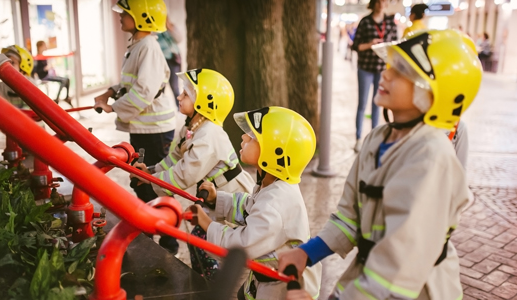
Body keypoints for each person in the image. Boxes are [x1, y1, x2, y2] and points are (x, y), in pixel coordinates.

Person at [279, 29, 482, 300]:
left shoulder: (433, 158)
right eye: (389, 66)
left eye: (400, 71)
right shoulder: (376, 139)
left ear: (432, 94)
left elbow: (399, 266)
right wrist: (307, 252)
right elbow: (349, 217)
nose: (385, 74)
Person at [188, 106, 322, 300]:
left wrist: (207, 224)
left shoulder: (276, 204)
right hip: (267, 278)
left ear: (274, 152)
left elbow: (242, 246)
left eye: (252, 137)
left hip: (282, 290)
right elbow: (248, 206)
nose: (243, 138)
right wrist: (218, 199)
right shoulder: (272, 185)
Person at [131, 68, 255, 258]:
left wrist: (149, 179)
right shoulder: (192, 127)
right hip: (215, 191)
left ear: (206, 102)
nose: (179, 97)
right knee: (202, 241)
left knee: (217, 245)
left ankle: (217, 282)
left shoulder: (208, 135)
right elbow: (174, 158)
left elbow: (183, 174)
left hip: (231, 192)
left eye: (186, 94)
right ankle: (210, 278)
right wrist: (149, 170)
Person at [94, 0, 176, 203]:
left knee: (153, 184)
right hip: (144, 127)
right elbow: (130, 81)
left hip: (154, 130)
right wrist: (110, 92)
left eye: (125, 12)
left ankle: (167, 232)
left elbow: (144, 91)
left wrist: (112, 106)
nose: (120, 16)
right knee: (140, 179)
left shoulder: (148, 47)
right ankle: (150, 227)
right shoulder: (138, 45)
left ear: (142, 17)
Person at [352, 0, 398, 152]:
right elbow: (356, 46)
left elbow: (395, 46)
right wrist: (370, 44)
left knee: (377, 104)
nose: (381, 3)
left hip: (382, 69)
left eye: (383, 1)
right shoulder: (365, 22)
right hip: (365, 68)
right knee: (362, 104)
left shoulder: (390, 23)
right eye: (378, 1)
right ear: (374, 3)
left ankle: (374, 138)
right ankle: (358, 138)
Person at [32, 40, 72, 107]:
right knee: (64, 80)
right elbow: (36, 71)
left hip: (48, 75)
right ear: (40, 47)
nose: (45, 46)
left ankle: (66, 97)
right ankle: (57, 99)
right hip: (44, 76)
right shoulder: (37, 58)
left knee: (67, 79)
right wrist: (45, 68)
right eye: (44, 45)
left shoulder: (42, 56)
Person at [156, 19, 182, 108]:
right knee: (161, 87)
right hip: (161, 61)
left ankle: (179, 108)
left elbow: (179, 39)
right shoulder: (155, 30)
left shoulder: (172, 27)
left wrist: (169, 27)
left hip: (172, 59)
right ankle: (160, 107)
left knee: (175, 86)